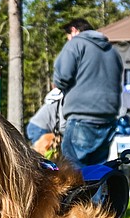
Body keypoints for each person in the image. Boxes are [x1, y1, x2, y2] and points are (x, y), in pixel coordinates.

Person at [52, 18, 124, 168]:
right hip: (108, 119)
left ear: (74, 30)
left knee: (73, 173)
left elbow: (62, 77)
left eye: (67, 34)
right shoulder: (112, 51)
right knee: (97, 172)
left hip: (82, 118)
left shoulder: (76, 43)